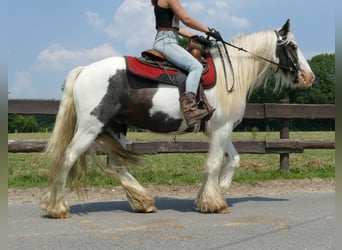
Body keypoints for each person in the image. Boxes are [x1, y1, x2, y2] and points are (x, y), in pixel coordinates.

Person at [151, 0, 223, 127]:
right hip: (167, 42)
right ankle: (190, 109)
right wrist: (209, 30)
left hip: (167, 39)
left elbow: (176, 28)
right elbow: (186, 19)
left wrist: (195, 36)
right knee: (196, 66)